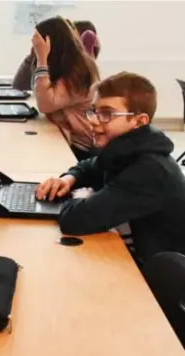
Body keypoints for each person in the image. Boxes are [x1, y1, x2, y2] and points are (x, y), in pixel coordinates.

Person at [35, 72, 185, 265]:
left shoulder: (150, 171)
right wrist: (68, 179)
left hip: (157, 278)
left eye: (107, 114)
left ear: (139, 121)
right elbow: (91, 166)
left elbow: (74, 220)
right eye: (94, 111)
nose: (94, 120)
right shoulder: (131, 148)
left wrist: (80, 196)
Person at [28, 16, 100, 160]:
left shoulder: (80, 72)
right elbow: (33, 88)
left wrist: (42, 59)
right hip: (67, 137)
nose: (35, 45)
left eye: (38, 43)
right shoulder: (65, 66)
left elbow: (45, 104)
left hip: (80, 148)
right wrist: (37, 58)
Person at [12, 20, 100, 92]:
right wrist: (37, 57)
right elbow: (18, 88)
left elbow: (46, 102)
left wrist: (41, 58)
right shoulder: (51, 65)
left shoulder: (73, 78)